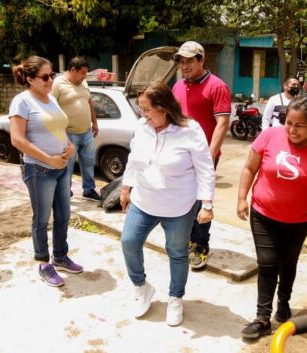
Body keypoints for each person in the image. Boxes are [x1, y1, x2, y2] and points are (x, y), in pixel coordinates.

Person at [237, 95, 307, 339]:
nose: (292, 130)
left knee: (288, 262)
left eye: (299, 125)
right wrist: (242, 197)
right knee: (267, 262)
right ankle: (263, 317)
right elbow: (250, 167)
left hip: (299, 219)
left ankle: (284, 301)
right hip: (263, 213)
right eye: (289, 123)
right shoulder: (269, 136)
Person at [120, 82, 216, 326]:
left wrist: (207, 203)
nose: (143, 115)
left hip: (178, 207)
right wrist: (126, 188)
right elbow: (133, 158)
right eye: (141, 109)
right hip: (143, 201)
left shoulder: (190, 130)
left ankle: (175, 298)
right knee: (129, 242)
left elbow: (205, 168)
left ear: (163, 108)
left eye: (147, 109)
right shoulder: (142, 127)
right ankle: (141, 287)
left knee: (177, 252)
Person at [9, 56, 82, 287]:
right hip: (39, 169)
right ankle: (43, 263)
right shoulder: (22, 101)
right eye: (44, 76)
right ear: (30, 79)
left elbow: (60, 128)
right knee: (41, 219)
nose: (50, 79)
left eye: (52, 75)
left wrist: (69, 146)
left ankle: (60, 256)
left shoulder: (51, 99)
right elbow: (17, 139)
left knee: (64, 216)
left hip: (61, 168)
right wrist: (48, 158)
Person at [172, 41, 231, 270]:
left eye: (189, 61)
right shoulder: (178, 86)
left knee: (201, 201)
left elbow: (222, 123)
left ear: (201, 60)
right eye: (181, 61)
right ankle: (185, 240)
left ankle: (201, 245)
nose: (184, 66)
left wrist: (208, 156)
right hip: (180, 155)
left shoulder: (216, 86)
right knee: (183, 200)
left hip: (204, 155)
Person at [51, 56, 101, 201]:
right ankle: (66, 191)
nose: (85, 76)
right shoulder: (58, 83)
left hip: (86, 132)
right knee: (68, 166)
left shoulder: (83, 82)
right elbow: (50, 106)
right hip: (68, 133)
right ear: (73, 70)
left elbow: (90, 102)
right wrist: (58, 131)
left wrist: (95, 123)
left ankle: (89, 190)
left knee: (89, 162)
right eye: (83, 73)